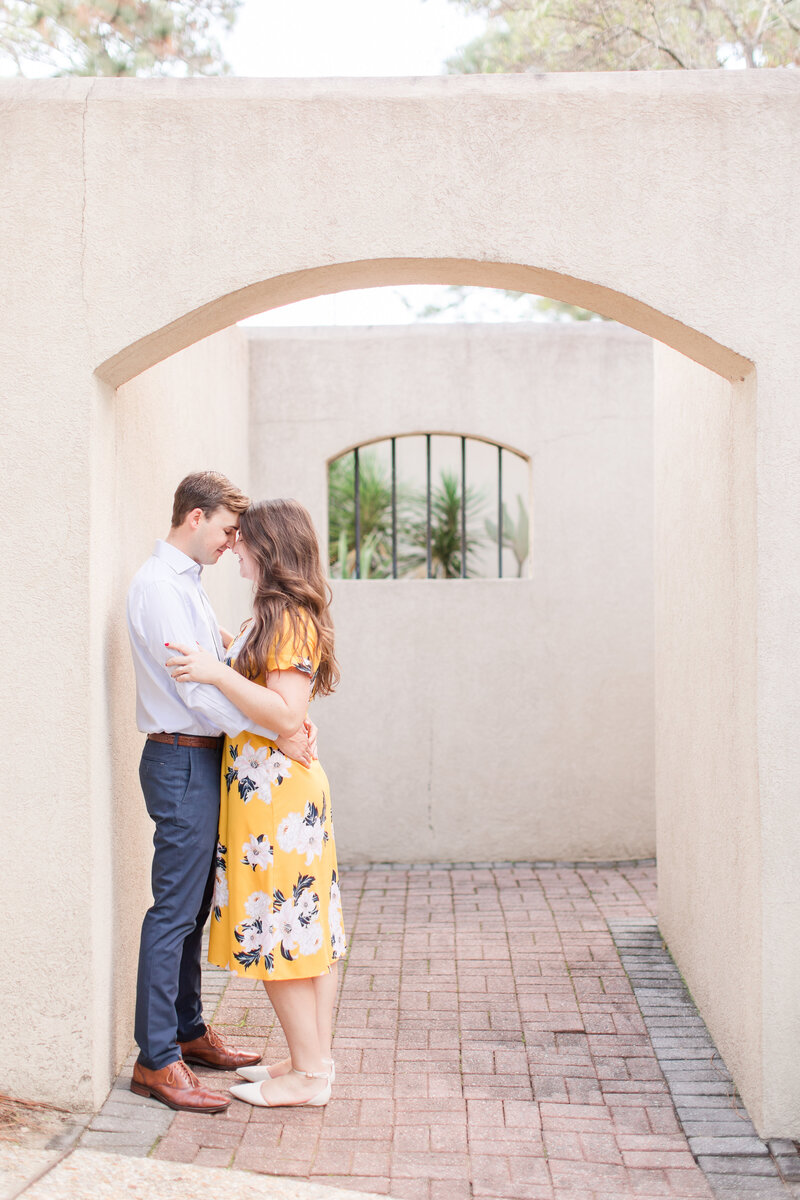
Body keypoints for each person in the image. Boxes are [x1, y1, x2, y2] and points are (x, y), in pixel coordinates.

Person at [126, 472, 315, 1114]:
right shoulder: (159, 587)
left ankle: (187, 1030)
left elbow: (220, 670)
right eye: (228, 530)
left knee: (196, 906)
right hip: (181, 756)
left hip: (204, 758)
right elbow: (198, 693)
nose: (234, 544)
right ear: (196, 517)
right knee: (174, 911)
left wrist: (277, 719)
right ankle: (157, 1060)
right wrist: (277, 730)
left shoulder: (189, 585)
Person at [166, 497, 345, 1109]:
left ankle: (309, 1076)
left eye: (242, 538)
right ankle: (312, 1061)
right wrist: (220, 649)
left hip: (277, 802)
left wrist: (216, 675)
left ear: (267, 547)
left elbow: (287, 713)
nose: (233, 546)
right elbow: (260, 675)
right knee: (304, 929)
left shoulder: (287, 618)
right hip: (274, 793)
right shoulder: (274, 616)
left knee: (282, 931)